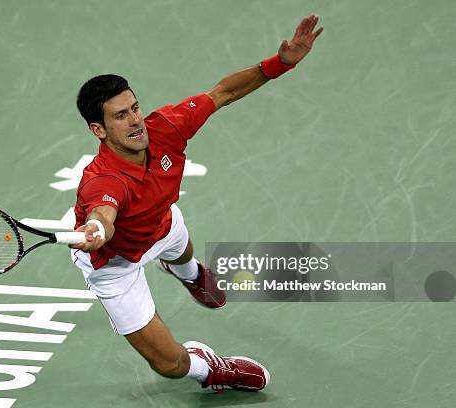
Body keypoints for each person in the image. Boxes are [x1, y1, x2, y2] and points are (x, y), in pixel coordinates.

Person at [69, 15, 323, 392]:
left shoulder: (166, 127)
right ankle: (212, 370)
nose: (135, 121)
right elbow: (103, 212)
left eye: (135, 108)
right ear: (99, 130)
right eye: (121, 116)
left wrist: (281, 63)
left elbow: (224, 92)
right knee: (168, 364)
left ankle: (187, 272)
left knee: (179, 244)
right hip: (116, 261)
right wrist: (98, 229)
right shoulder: (104, 181)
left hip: (160, 222)